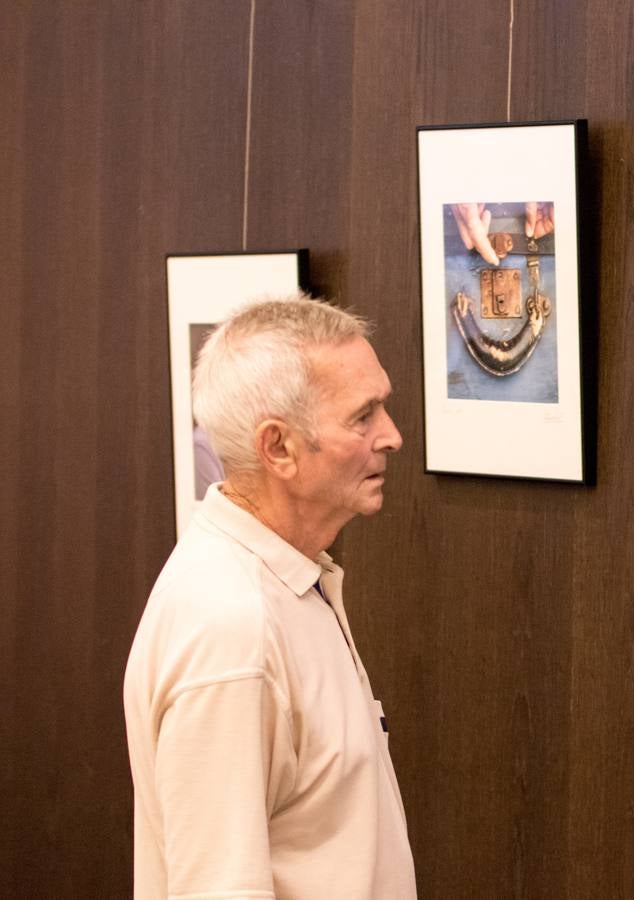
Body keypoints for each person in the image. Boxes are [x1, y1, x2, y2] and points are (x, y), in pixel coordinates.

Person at [123, 295, 416, 899]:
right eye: (363, 417)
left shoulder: (287, 583)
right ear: (278, 447)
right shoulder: (235, 630)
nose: (392, 436)